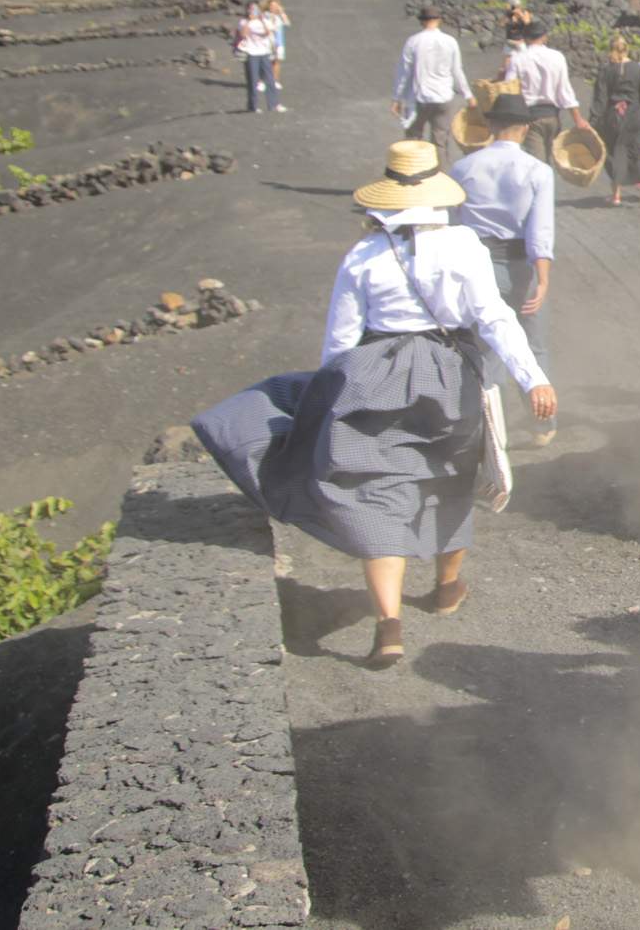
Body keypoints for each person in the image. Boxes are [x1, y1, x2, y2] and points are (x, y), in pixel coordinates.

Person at [191, 140, 556, 668]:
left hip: (373, 374)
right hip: (449, 375)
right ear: (437, 195)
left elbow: (339, 342)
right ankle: (446, 589)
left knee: (374, 490)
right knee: (448, 480)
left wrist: (323, 401)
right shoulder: (464, 246)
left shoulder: (363, 254)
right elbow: (494, 318)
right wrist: (534, 379)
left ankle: (389, 624)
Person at [450, 94, 561, 446]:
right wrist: (542, 280)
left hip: (475, 262)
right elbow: (540, 231)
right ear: (525, 127)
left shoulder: (463, 168)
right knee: (533, 343)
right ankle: (542, 424)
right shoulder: (538, 171)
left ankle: (486, 427)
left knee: (486, 346)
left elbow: (453, 223)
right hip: (520, 265)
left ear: (491, 126)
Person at [502, 21, 588, 164]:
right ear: (544, 37)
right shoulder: (558, 57)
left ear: (526, 38)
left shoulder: (518, 58)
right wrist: (578, 119)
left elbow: (508, 87)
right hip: (552, 117)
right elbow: (565, 91)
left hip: (529, 118)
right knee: (546, 162)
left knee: (536, 164)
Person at [393, 4, 467, 164]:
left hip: (419, 98)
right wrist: (468, 94)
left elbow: (404, 73)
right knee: (440, 142)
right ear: (439, 20)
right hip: (444, 97)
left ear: (421, 21)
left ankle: (413, 178)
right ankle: (440, 180)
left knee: (413, 140)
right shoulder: (450, 41)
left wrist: (397, 98)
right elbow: (457, 70)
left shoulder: (413, 42)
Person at [592, 35, 640, 207]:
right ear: (627, 49)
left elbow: (600, 99)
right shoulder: (639, 69)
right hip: (637, 116)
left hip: (615, 117)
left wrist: (592, 121)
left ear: (610, 49)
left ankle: (616, 196)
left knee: (615, 153)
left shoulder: (606, 70)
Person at [234, 0, 283, 114]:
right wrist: (249, 21)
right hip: (251, 53)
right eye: (251, 9)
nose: (253, 11)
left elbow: (267, 32)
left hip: (264, 52)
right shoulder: (243, 22)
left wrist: (261, 20)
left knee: (270, 79)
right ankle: (253, 106)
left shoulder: (264, 21)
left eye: (256, 9)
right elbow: (243, 34)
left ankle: (274, 104)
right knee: (253, 80)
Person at [261, 0, 291, 108]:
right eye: (272, 6)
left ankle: (275, 81)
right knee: (266, 62)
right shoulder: (265, 15)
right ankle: (262, 81)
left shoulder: (280, 16)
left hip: (279, 42)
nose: (274, 7)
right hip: (267, 42)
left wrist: (282, 12)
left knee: (277, 62)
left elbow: (287, 23)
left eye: (276, 5)